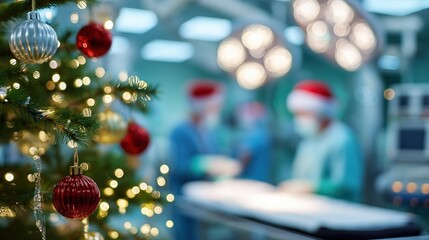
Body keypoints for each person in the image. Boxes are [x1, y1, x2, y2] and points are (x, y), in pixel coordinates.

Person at [282, 80, 363, 202]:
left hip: (338, 211)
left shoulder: (342, 139)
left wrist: (312, 188)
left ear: (320, 111)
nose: (299, 119)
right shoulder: (309, 140)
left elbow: (347, 185)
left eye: (303, 114)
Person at [169, 80, 226, 240]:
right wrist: (203, 165)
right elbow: (179, 166)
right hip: (184, 196)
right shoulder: (180, 131)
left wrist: (220, 167)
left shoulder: (208, 131)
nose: (217, 110)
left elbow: (214, 156)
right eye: (214, 106)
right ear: (202, 106)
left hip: (204, 196)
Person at [235, 102, 271, 182]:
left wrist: (231, 170)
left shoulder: (256, 134)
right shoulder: (262, 132)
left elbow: (245, 156)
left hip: (252, 180)